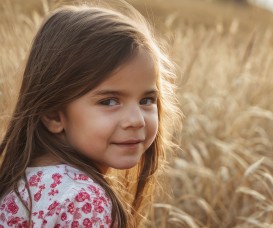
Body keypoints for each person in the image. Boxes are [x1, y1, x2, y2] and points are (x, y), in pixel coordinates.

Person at [0, 2, 181, 227]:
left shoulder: (24, 184)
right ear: (54, 115)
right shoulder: (83, 200)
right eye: (109, 101)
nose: (137, 120)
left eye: (146, 100)